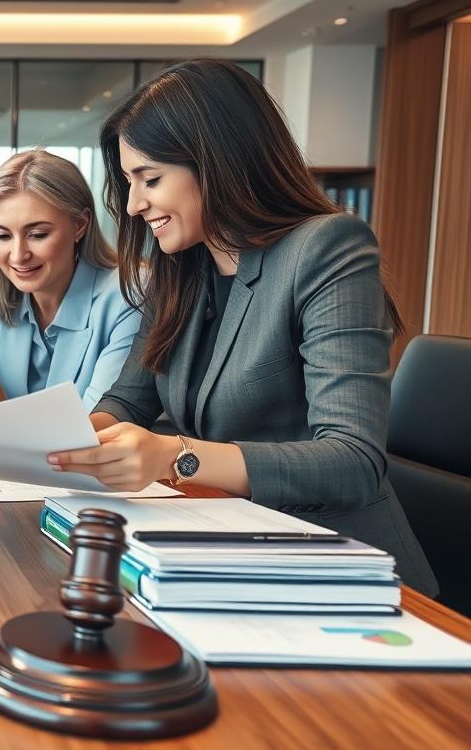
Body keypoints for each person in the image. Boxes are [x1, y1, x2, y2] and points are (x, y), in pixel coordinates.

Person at [51, 59, 436, 593]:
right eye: (128, 182)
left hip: (337, 565)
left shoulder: (327, 248)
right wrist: (64, 443)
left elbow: (353, 460)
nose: (135, 205)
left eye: (151, 179)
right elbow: (129, 399)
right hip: (225, 541)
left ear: (218, 163)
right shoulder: (181, 267)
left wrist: (175, 455)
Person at [0, 150, 139, 415]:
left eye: (38, 235)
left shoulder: (128, 293)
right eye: (3, 236)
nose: (18, 256)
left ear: (80, 225)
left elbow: (99, 419)